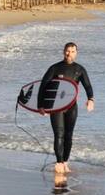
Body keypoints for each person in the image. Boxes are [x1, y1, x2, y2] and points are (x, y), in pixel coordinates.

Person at [38, 42, 94, 174]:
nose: (69, 54)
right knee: (59, 134)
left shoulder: (80, 69)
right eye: (67, 51)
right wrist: (41, 105)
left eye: (72, 51)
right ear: (63, 51)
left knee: (69, 135)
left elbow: (88, 86)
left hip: (71, 106)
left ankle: (65, 162)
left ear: (76, 53)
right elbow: (43, 86)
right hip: (56, 107)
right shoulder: (54, 68)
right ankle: (59, 162)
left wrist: (91, 99)